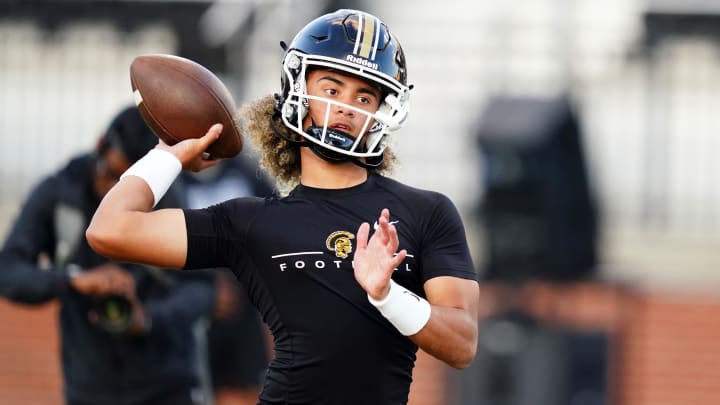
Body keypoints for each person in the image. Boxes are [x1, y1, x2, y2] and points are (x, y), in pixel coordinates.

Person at [87, 9, 480, 405]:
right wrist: (168, 154)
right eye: (332, 89)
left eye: (364, 96)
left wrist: (386, 295)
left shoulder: (427, 212)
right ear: (298, 91)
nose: (347, 107)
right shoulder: (251, 222)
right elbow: (109, 229)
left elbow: (462, 344)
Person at [0, 106, 219, 405]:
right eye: (111, 175)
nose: (112, 193)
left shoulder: (170, 199)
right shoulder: (58, 194)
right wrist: (74, 280)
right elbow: (8, 271)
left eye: (128, 183)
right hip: (89, 387)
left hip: (167, 383)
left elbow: (203, 288)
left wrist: (148, 319)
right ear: (100, 144)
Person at [178, 157, 274, 405]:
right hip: (191, 306)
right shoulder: (171, 181)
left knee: (246, 387)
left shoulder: (246, 174)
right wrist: (203, 293)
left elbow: (274, 240)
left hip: (244, 307)